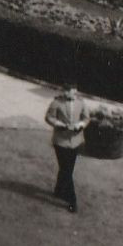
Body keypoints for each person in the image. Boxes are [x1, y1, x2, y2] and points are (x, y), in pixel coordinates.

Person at [44, 83, 90, 212]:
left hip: (75, 141)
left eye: (71, 91)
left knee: (67, 169)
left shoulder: (81, 103)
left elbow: (86, 118)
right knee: (66, 170)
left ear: (76, 91)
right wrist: (59, 124)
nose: (69, 93)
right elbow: (49, 117)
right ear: (63, 91)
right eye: (67, 90)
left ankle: (58, 190)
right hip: (61, 142)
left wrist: (80, 125)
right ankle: (72, 200)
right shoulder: (57, 102)